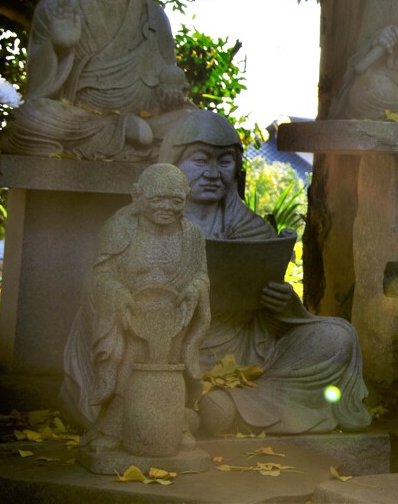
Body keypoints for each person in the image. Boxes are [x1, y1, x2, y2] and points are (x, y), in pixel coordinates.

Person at [159, 110, 372, 435]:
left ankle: (231, 406)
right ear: (173, 163)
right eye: (201, 160)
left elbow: (272, 325)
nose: (214, 173)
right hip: (176, 349)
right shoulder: (149, 226)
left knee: (339, 338)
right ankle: (209, 405)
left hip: (250, 354)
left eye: (225, 161)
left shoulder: (252, 229)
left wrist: (283, 304)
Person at [1, 0, 194, 160]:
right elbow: (38, 92)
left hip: (145, 123)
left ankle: (123, 133)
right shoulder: (58, 6)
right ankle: (122, 132)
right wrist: (61, 48)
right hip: (75, 121)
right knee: (26, 118)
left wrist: (172, 92)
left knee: (196, 123)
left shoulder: (154, 16)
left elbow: (169, 90)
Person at [59, 163, 210, 451]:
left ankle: (174, 427)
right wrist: (117, 293)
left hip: (173, 316)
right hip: (129, 316)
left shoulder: (191, 236)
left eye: (176, 201)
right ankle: (113, 429)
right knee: (128, 365)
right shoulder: (121, 228)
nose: (166, 207)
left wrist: (193, 290)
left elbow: (200, 275)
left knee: (172, 366)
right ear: (137, 195)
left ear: (186, 198)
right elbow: (101, 275)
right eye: (157, 199)